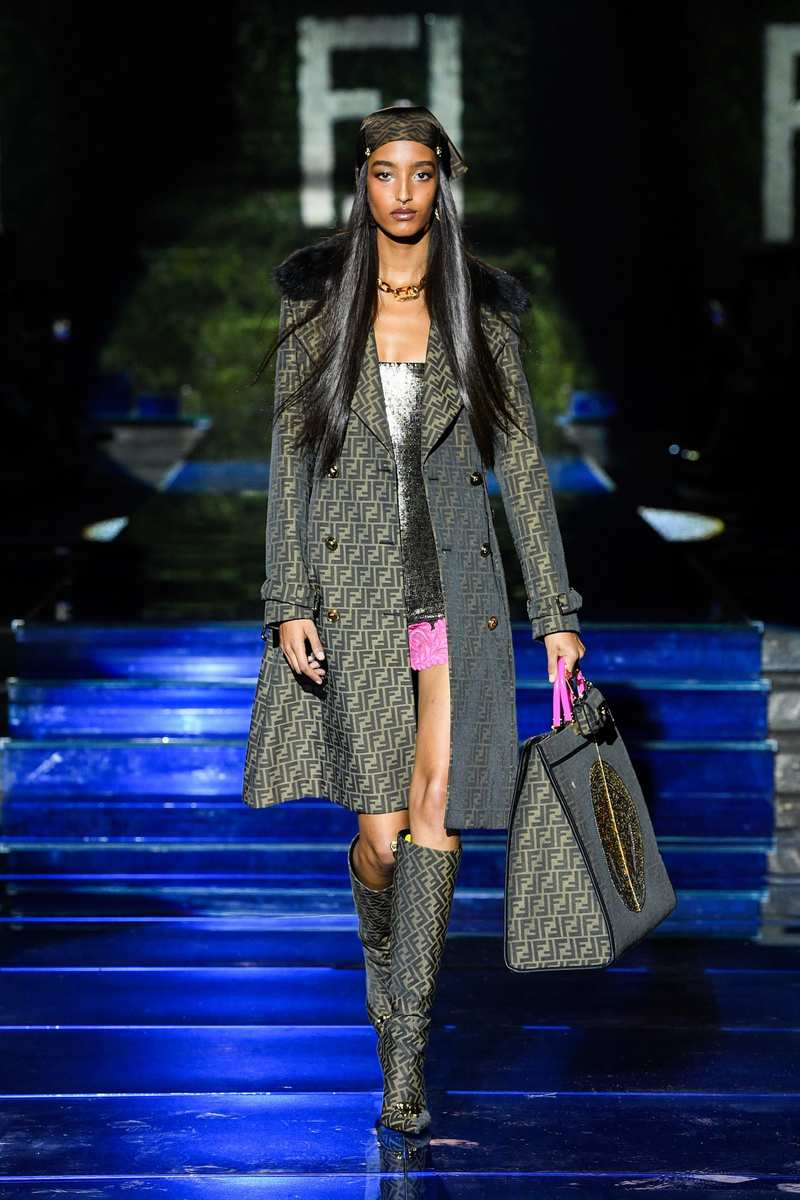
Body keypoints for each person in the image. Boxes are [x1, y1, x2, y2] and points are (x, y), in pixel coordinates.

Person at [243, 104, 586, 1165]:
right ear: (363, 179)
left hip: (452, 605)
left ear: (444, 180)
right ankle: (387, 996)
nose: (402, 192)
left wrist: (556, 617)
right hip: (354, 601)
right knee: (382, 840)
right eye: (385, 172)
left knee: (437, 819)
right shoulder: (319, 309)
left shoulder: (480, 315)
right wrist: (288, 600)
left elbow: (522, 470)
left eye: (421, 173)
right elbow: (288, 465)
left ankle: (405, 1057)